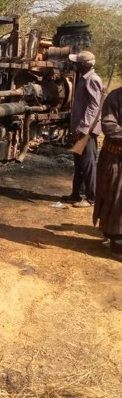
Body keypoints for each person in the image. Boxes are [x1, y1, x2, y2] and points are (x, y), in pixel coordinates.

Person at [62, 51, 103, 208]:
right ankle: (76, 194)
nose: (75, 65)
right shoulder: (83, 79)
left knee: (88, 164)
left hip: (86, 131)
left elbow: (94, 107)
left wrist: (83, 128)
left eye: (77, 63)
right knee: (79, 164)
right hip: (81, 130)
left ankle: (91, 198)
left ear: (84, 65)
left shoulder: (92, 80)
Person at [93, 84, 122, 261]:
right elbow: (109, 126)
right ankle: (117, 244)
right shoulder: (115, 97)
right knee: (115, 198)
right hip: (115, 158)